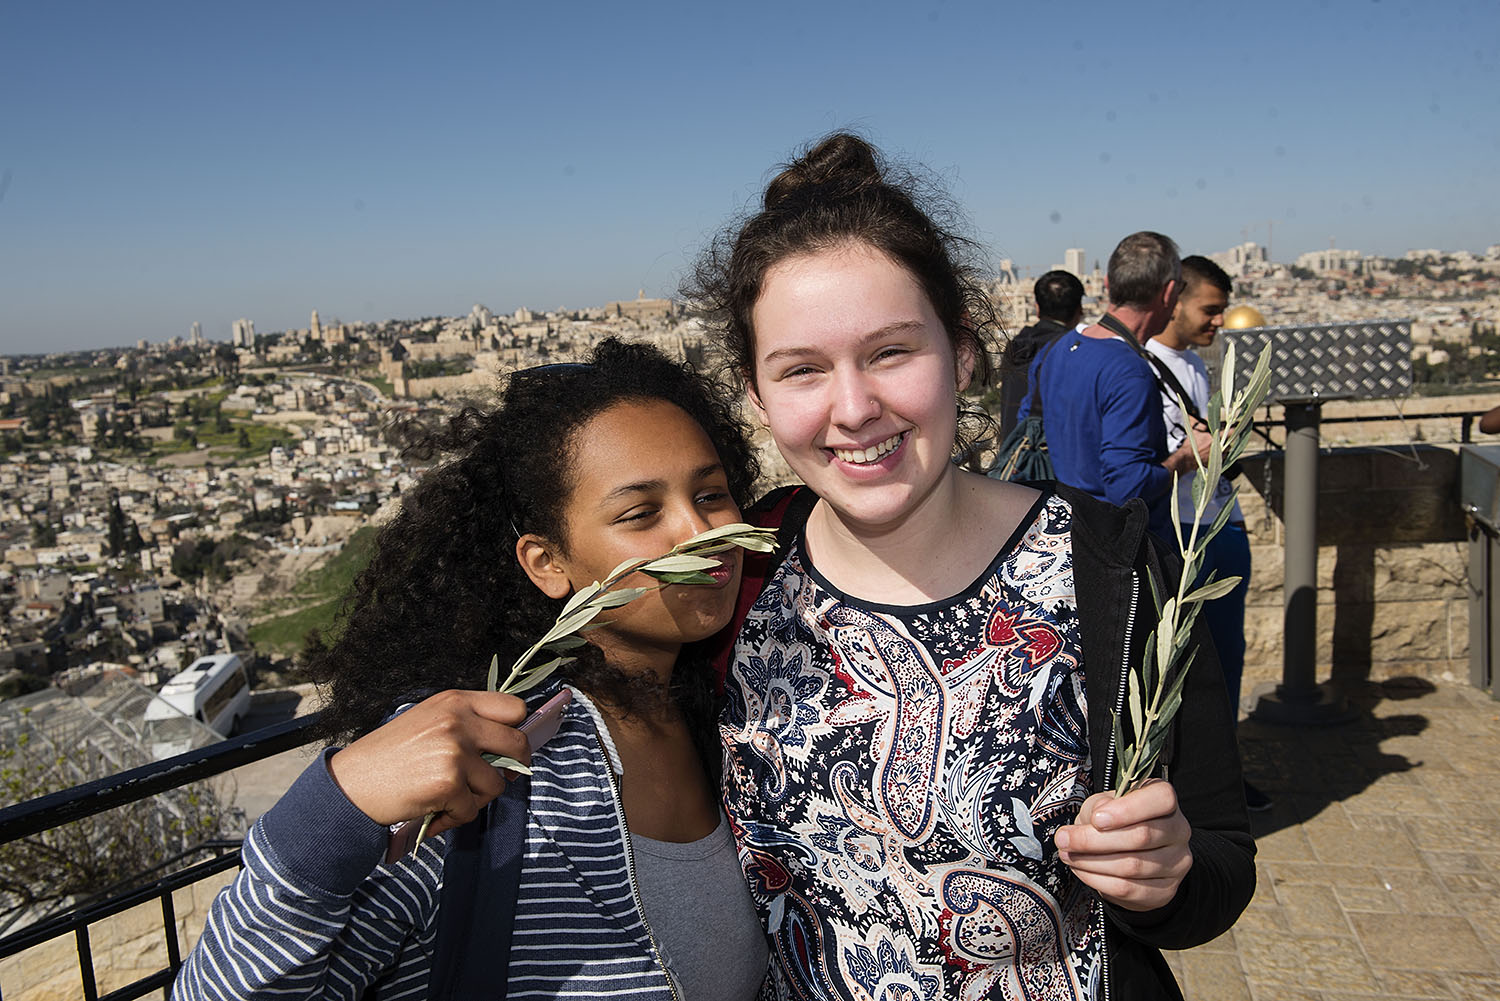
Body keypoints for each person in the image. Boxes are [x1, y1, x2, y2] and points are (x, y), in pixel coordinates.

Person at [690, 134, 1254, 1001]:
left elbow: (1218, 852)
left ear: (962, 354)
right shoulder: (738, 576)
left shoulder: (1108, 564)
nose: (853, 409)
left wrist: (1164, 878)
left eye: (890, 353)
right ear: (757, 395)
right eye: (802, 370)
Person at [172, 339, 771, 1001]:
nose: (699, 532)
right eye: (641, 513)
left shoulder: (726, 717)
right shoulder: (482, 761)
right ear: (548, 562)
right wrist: (338, 804)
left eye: (712, 494)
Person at [1144, 255, 1269, 812]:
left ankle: (1225, 776)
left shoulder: (1195, 365)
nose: (1219, 321)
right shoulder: (1142, 366)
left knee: (1229, 656)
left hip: (1219, 521)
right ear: (1174, 299)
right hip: (1182, 528)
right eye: (1209, 309)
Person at [1021, 231, 1213, 538]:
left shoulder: (1056, 350)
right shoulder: (1129, 370)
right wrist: (1186, 459)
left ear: (1109, 284)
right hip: (1120, 548)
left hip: (1067, 535)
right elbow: (1127, 484)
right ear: (1169, 293)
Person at [997, 269, 1085, 437]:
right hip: (1051, 457)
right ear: (1079, 310)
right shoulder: (1074, 351)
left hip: (1013, 455)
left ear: (1037, 308)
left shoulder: (1016, 347)